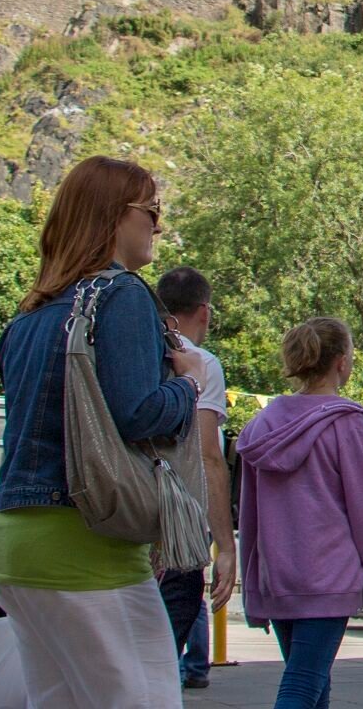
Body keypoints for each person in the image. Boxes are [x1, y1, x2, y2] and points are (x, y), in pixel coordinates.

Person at [0, 156, 205, 709]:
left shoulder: (29, 314)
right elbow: (136, 413)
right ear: (113, 214)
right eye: (151, 209)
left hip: (14, 543)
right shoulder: (123, 293)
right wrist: (189, 387)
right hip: (87, 543)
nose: (158, 224)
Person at [238, 317, 363, 709]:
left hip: (278, 577)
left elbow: (250, 518)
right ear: (342, 362)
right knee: (302, 685)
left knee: (314, 686)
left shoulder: (259, 427)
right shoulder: (348, 424)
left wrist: (252, 590)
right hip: (329, 577)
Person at [153, 266, 235, 691]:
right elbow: (208, 455)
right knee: (165, 652)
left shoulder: (140, 348)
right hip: (180, 524)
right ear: (204, 311)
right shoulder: (202, 362)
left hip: (128, 514)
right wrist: (225, 544)